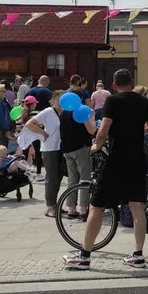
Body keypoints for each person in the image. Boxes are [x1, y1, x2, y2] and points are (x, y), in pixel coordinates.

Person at [64, 69, 148, 270]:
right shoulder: (142, 101)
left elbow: (104, 129)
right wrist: (137, 133)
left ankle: (84, 255)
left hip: (116, 159)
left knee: (97, 206)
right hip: (137, 159)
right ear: (132, 83)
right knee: (137, 207)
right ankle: (138, 255)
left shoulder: (113, 101)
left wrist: (97, 145)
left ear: (114, 85)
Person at [60, 76, 97, 220]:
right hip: (81, 147)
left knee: (72, 179)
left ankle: (71, 208)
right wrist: (92, 116)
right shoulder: (81, 111)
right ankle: (83, 208)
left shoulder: (63, 112)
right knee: (85, 179)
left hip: (67, 148)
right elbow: (91, 130)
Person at [25, 91, 67, 217]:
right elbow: (29, 124)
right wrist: (42, 133)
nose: (61, 102)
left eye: (63, 100)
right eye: (58, 99)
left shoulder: (67, 112)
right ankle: (50, 207)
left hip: (63, 148)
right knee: (51, 177)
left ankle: (55, 204)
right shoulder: (48, 111)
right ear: (53, 100)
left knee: (59, 176)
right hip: (49, 148)